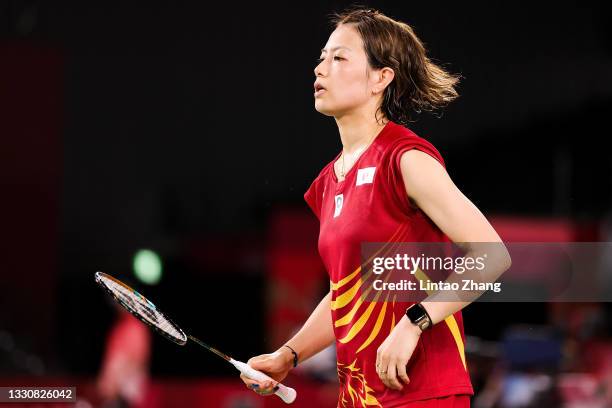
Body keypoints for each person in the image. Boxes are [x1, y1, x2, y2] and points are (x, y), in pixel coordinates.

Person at [240, 6, 511, 407]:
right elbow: (346, 291)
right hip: (360, 395)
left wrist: (415, 322)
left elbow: (493, 256)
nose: (320, 69)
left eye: (339, 58)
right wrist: (289, 355)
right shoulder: (327, 183)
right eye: (321, 58)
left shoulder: (405, 159)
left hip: (422, 391)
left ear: (381, 78)